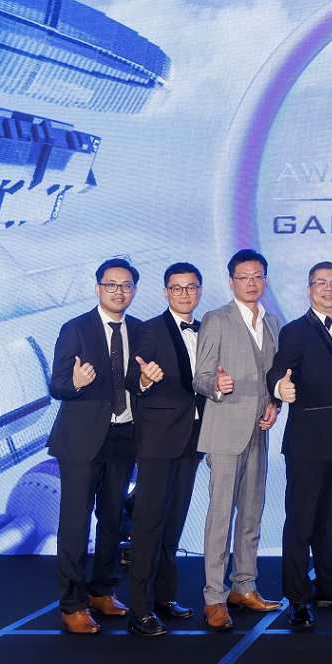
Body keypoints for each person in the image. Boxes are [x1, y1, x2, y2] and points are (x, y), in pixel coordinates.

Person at [46, 258, 146, 634]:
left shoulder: (141, 331)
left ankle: (102, 590)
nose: (118, 291)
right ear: (97, 288)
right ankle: (72, 605)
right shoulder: (75, 328)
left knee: (113, 519)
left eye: (126, 285)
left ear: (134, 291)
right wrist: (74, 382)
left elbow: (141, 382)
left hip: (125, 436)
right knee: (76, 523)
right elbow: (56, 386)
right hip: (81, 440)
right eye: (111, 285)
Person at [192, 249, 280, 632]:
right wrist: (216, 384)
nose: (251, 283)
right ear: (231, 282)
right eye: (243, 277)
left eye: (257, 276)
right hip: (225, 430)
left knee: (251, 514)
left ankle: (243, 587)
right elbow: (200, 377)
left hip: (259, 431)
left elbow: (274, 377)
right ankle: (214, 598)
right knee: (220, 517)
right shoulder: (216, 319)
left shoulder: (273, 322)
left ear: (265, 280)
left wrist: (275, 404)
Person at [270, 261, 332, 630]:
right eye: (320, 282)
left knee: (331, 522)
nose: (328, 288)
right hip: (308, 443)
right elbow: (278, 372)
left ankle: (329, 585)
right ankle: (297, 598)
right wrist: (280, 388)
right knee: (300, 523)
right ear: (308, 290)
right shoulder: (295, 331)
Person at [125, 262, 207, 636]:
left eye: (191, 287)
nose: (184, 294)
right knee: (148, 524)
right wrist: (144, 378)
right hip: (158, 440)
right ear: (165, 292)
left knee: (174, 521)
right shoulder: (149, 329)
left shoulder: (206, 330)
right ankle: (139, 610)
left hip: (193, 439)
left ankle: (163, 597)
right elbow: (134, 375)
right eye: (177, 288)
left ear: (200, 290)